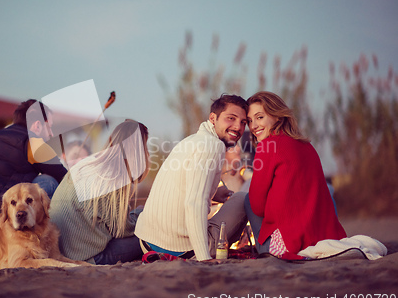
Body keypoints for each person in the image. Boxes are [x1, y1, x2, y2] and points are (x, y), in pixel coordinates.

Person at [135, 94, 249, 261]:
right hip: (181, 249)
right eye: (230, 118)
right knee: (243, 198)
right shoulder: (213, 145)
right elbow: (195, 203)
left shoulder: (192, 141)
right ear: (213, 118)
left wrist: (215, 194)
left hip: (146, 242)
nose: (238, 127)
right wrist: (204, 258)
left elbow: (182, 186)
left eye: (243, 122)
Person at [245, 91, 346, 257]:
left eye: (260, 117)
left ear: (277, 116)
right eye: (249, 121)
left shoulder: (267, 146)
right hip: (322, 238)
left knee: (247, 200)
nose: (254, 125)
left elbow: (256, 206)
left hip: (288, 245)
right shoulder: (307, 146)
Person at [49, 120, 150, 265]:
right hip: (84, 257)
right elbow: (122, 230)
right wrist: (141, 214)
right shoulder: (113, 177)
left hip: (58, 251)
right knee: (149, 235)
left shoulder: (88, 164)